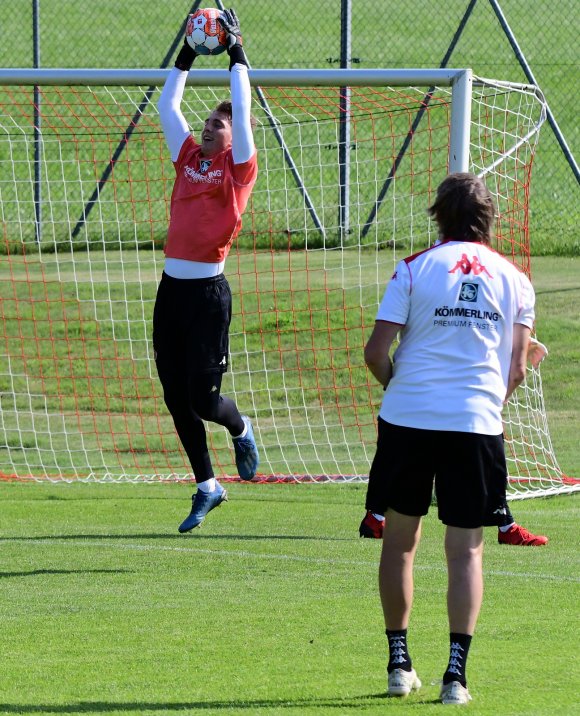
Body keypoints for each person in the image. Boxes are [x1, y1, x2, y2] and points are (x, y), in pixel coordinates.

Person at [362, 173, 538, 704]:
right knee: (465, 554)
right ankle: (455, 679)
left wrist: (404, 391)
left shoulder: (414, 269)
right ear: (489, 220)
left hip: (407, 422)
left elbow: (375, 351)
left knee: (399, 547)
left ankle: (399, 665)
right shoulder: (515, 279)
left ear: (438, 215)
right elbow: (517, 371)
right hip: (475, 427)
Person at [154, 9, 259, 533]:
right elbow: (166, 104)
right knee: (175, 396)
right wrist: (190, 50)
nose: (210, 125)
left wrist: (236, 50)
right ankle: (206, 486)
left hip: (208, 296)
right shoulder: (187, 155)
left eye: (220, 123)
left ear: (237, 137)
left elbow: (242, 104)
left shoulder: (237, 169)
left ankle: (239, 428)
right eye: (210, 122)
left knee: (203, 398)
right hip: (171, 291)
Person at [360, 334, 549, 546]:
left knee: (467, 454)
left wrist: (520, 339)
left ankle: (505, 524)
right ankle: (376, 517)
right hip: (438, 391)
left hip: (448, 391)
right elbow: (378, 349)